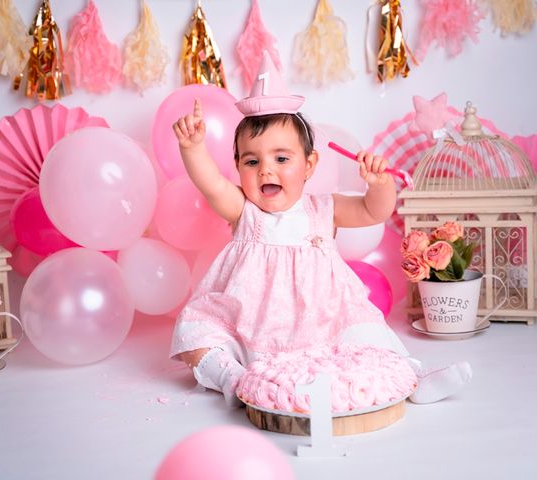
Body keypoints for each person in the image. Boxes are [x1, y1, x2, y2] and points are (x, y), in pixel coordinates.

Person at [169, 52, 471, 407]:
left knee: (368, 331)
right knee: (197, 333)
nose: (266, 170)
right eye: (252, 161)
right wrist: (192, 148)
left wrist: (379, 184)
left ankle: (413, 377)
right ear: (237, 167)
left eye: (282, 159)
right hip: (252, 323)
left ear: (309, 164)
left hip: (325, 319)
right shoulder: (244, 210)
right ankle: (231, 378)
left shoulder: (324, 209)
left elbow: (375, 211)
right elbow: (211, 185)